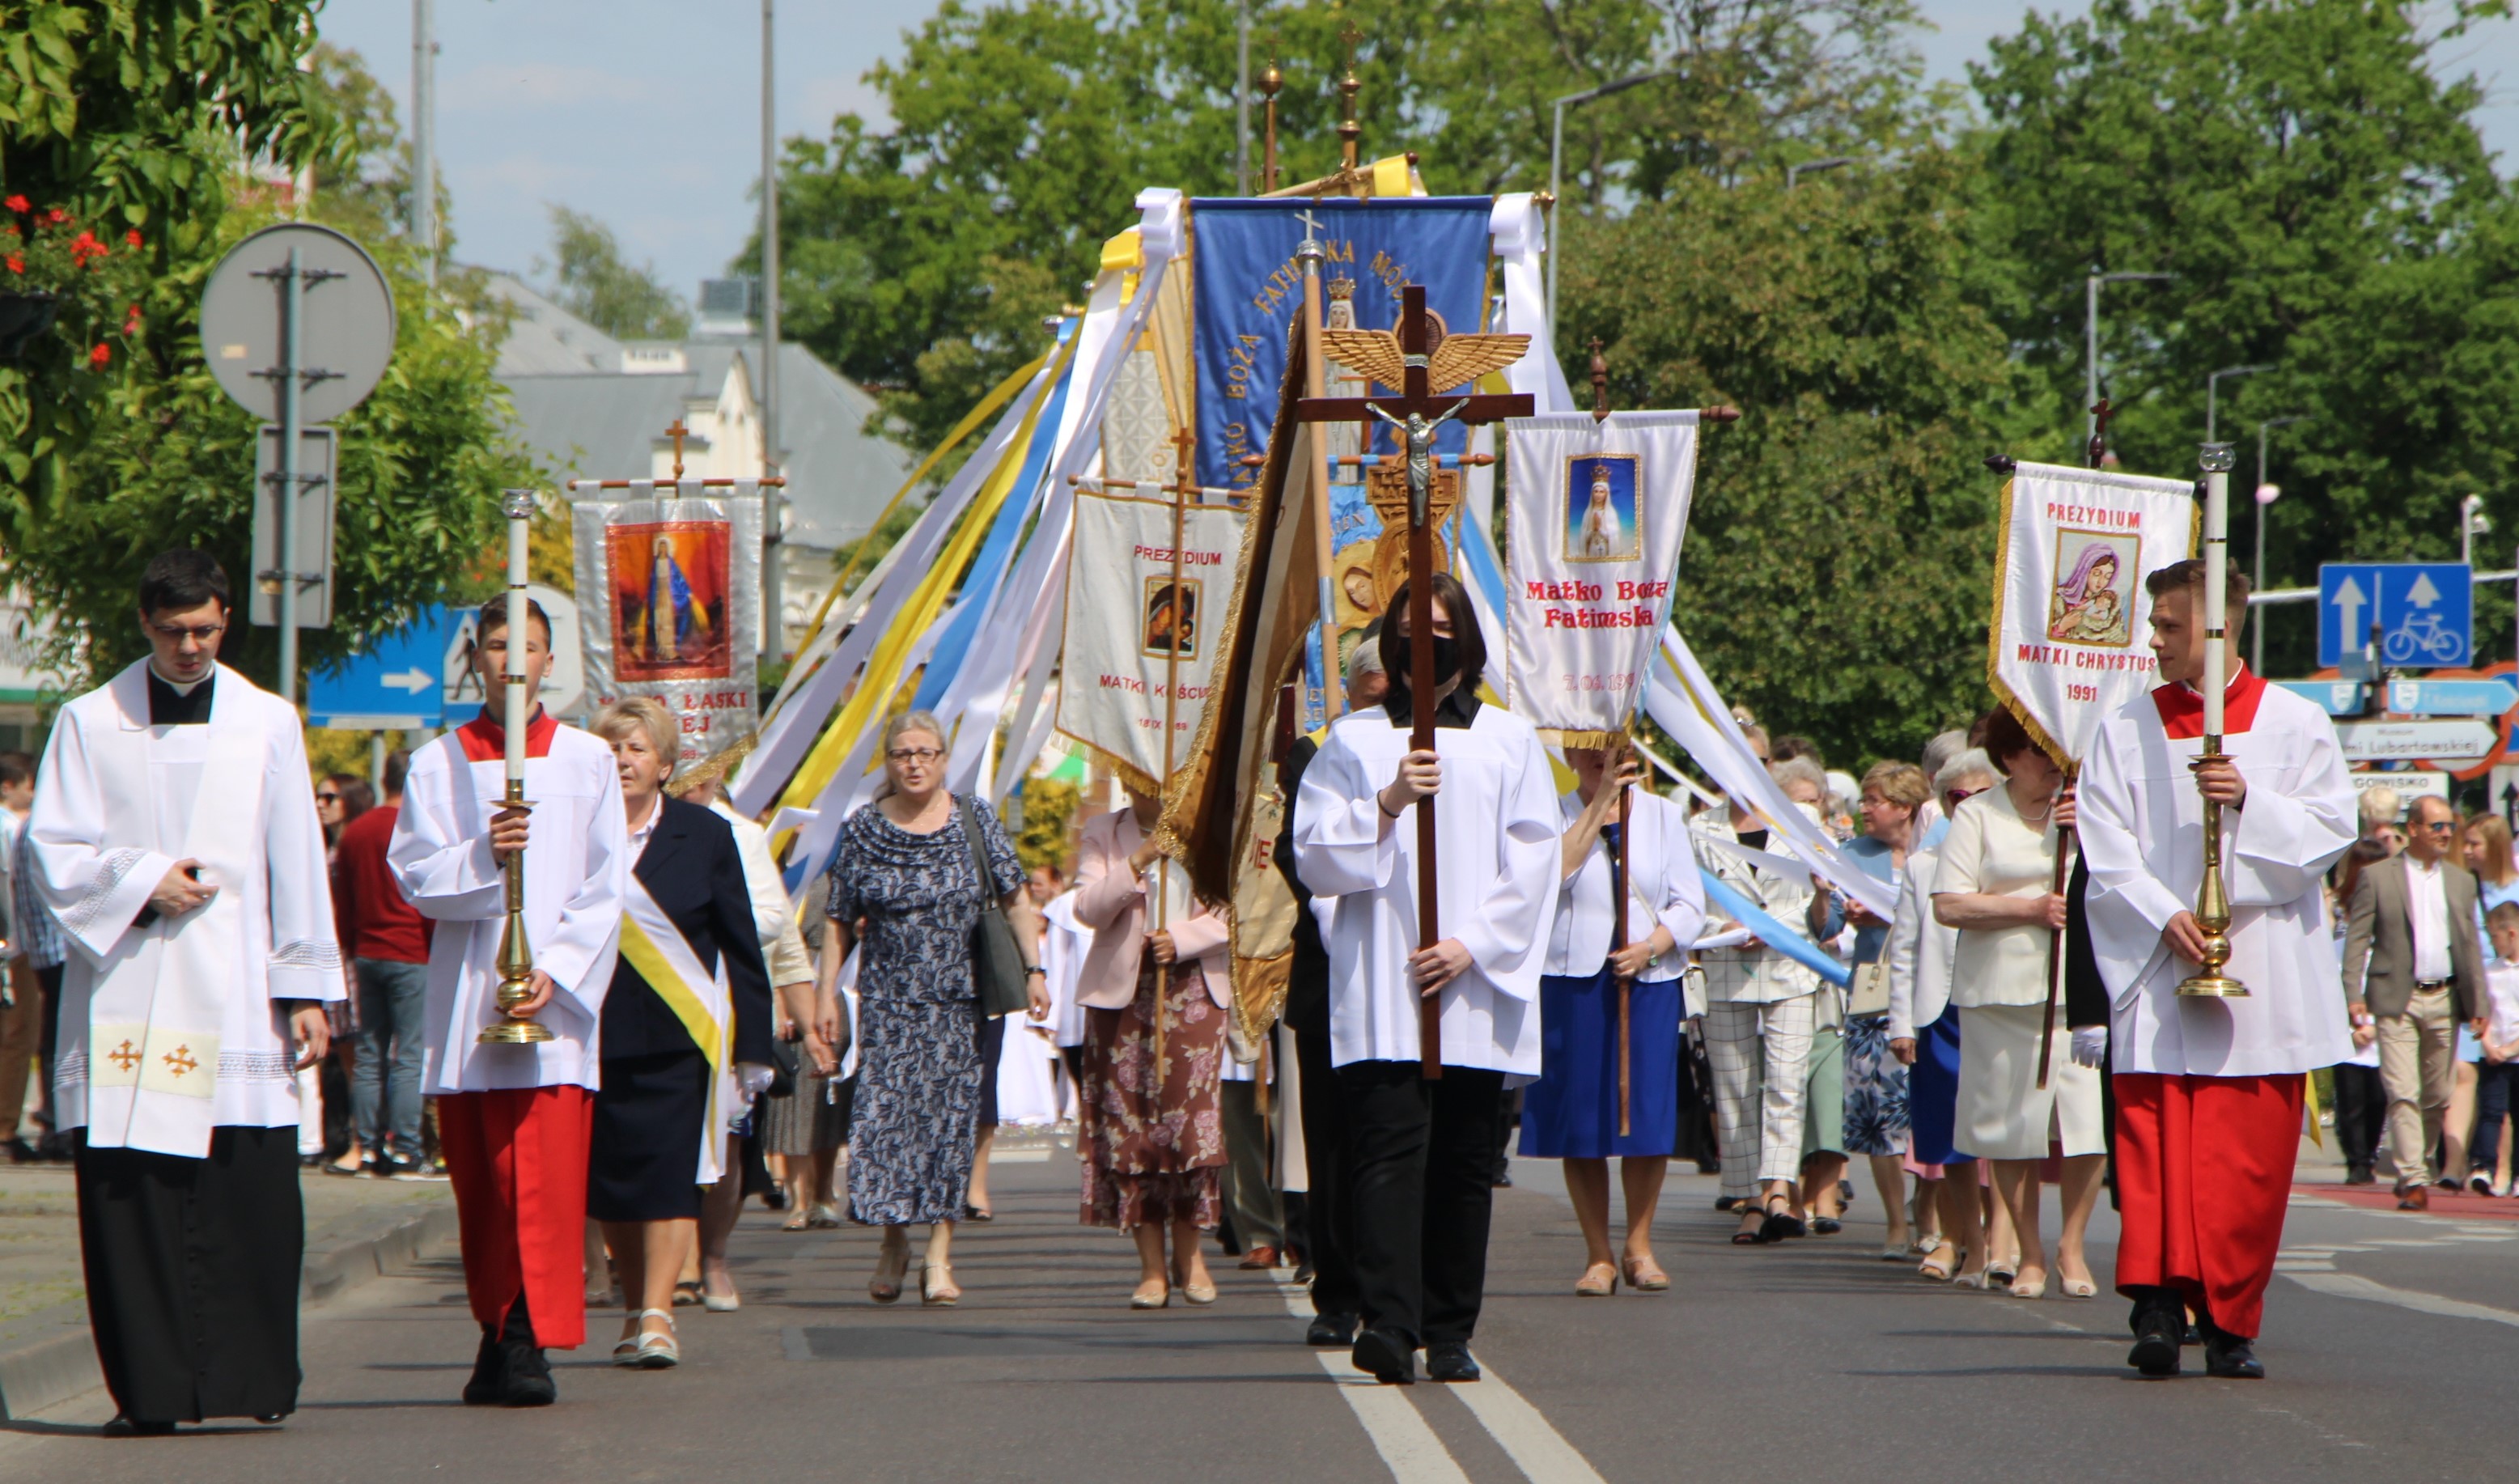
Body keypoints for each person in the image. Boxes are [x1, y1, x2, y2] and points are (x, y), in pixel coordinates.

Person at [24, 549, 341, 1433]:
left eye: (205, 629)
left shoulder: (268, 720)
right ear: (144, 625)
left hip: (237, 985)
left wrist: (306, 987)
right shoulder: (91, 720)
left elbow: (296, 863)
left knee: (246, 1190)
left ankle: (252, 1380)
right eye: (173, 632)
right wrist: (142, 881)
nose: (190, 647)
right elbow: (52, 849)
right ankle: (151, 1391)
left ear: (226, 620)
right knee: (135, 1192)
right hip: (130, 974)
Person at [2080, 557, 2356, 1379]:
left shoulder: (2294, 721)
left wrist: (2246, 801)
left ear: (2217, 628)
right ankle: (2159, 1307)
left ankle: (2231, 1319)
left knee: (2243, 1160)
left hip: (2260, 972)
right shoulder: (2124, 726)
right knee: (2156, 1144)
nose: (2152, 639)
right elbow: (2104, 843)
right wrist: (2160, 914)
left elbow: (2328, 830)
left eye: (2167, 625)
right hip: (2160, 966)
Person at [1291, 573, 1558, 1384]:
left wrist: (1473, 943)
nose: (1426, 639)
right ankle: (1387, 1320)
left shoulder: (1507, 740)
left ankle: (1448, 1328)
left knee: (1461, 1161)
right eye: (1411, 626)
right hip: (1383, 980)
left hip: (1470, 983)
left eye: (1440, 627)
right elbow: (1312, 855)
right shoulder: (1354, 741)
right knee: (1385, 1156)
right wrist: (1384, 801)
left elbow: (1535, 856)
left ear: (1464, 638)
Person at [392, 596, 631, 1407]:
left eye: (528, 646)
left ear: (550, 660)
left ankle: (531, 1338)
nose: (513, 661)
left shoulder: (589, 759)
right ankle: (497, 1328)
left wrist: (557, 972)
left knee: (545, 1180)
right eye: (498, 645)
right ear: (477, 657)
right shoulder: (437, 763)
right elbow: (417, 878)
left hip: (552, 1010)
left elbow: (605, 887)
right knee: (487, 1184)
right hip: (470, 1001)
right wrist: (481, 855)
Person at [818, 710, 1045, 1307]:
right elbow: (838, 920)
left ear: (944, 759)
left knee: (950, 1128)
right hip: (890, 1004)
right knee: (887, 1127)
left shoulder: (975, 818)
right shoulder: (865, 827)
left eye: (925, 752)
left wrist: (1035, 969)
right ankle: (894, 1242)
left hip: (960, 1003)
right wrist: (824, 998)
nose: (913, 763)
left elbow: (1016, 898)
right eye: (901, 754)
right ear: (888, 763)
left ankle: (940, 1255)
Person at [583, 700, 773, 1364]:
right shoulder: (576, 832)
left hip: (678, 1035)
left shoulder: (704, 834)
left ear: (665, 764)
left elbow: (740, 941)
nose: (623, 760)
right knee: (613, 1184)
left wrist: (755, 1045)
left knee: (667, 1177)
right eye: (611, 748)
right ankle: (636, 1306)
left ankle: (661, 1313)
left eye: (636, 748)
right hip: (594, 1035)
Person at [1520, 741, 1707, 1295]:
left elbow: (1688, 902)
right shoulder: (1548, 814)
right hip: (1571, 982)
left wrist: (1651, 945)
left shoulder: (1661, 815)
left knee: (1644, 1117)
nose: (1602, 758)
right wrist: (1595, 808)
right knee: (1579, 1120)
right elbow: (1542, 884)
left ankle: (1639, 1246)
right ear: (1571, 755)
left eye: (1613, 750)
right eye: (1591, 750)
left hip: (1645, 980)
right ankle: (1597, 1253)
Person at [1932, 706, 2106, 1300]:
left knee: (2084, 1124)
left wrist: (2086, 834)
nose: (2053, 769)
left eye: (2062, 758)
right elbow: (1948, 905)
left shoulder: (2089, 814)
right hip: (1999, 994)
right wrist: (2026, 908)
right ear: (2009, 757)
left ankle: (2071, 1246)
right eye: (2041, 755)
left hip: (2075, 993)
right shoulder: (1978, 815)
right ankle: (2027, 1252)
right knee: (2012, 1129)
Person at [1072, 783, 1233, 1306]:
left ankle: (1191, 1255)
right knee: (1131, 1124)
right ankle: (1150, 1267)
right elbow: (1088, 908)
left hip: (1192, 993)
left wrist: (1185, 938)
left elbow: (1238, 902)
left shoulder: (1209, 826)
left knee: (1188, 1124)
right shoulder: (1103, 831)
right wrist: (1140, 858)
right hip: (1121, 999)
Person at [1277, 630, 1387, 1348]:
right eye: (1372, 688)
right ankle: (1337, 1289)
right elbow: (1300, 855)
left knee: (1396, 1144)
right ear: (1349, 688)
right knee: (1334, 1141)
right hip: (1331, 964)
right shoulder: (1314, 751)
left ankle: (1398, 1289)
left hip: (1409, 974)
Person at [1693, 755, 1824, 1244]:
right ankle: (1750, 1198)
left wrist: (1769, 929)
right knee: (1734, 1089)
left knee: (1786, 1085)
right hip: (1727, 970)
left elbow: (1817, 898)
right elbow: (1690, 903)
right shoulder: (1698, 827)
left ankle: (1776, 1192)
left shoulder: (1801, 819)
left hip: (1789, 968)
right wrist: (1723, 928)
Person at [2342, 792, 2485, 1211]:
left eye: (2450, 827)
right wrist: (2353, 994)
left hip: (2445, 997)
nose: (2446, 834)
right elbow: (2356, 941)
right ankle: (2414, 1177)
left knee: (2437, 1094)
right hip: (2395, 999)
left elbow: (2471, 947)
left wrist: (2479, 1005)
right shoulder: (2379, 877)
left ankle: (2415, 1161)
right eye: (2438, 826)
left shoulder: (2460, 881)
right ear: (2414, 830)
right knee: (2401, 1089)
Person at [1815, 761, 1932, 1261]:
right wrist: (1824, 896)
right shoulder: (1853, 855)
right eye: (1862, 799)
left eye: (1874, 801)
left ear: (1904, 807)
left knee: (1931, 1112)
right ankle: (1893, 1222)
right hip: (1874, 999)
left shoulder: (1943, 847)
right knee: (1883, 1118)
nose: (1863, 809)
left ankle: (1928, 1215)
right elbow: (1825, 929)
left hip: (1932, 995)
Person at [1890, 749, 1998, 1283]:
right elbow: (1904, 951)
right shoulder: (1920, 867)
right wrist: (1900, 1024)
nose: (1971, 805)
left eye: (1983, 795)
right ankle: (1963, 1240)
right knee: (1949, 1137)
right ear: (1944, 803)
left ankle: (2000, 1240)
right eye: (1959, 797)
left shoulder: (2015, 865)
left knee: (2000, 1133)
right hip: (1939, 1012)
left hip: (1998, 1005)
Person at [333, 748, 433, 1178]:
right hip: (412, 952)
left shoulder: (356, 831)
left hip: (367, 953)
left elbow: (343, 899)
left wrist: (349, 945)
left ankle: (369, 1147)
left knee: (370, 1054)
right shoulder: (420, 831)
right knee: (410, 1055)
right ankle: (407, 1149)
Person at [8, 759, 67, 1163]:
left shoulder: (29, 825)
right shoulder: (45, 824)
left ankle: (55, 1123)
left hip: (40, 947)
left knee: (50, 1038)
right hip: (55, 947)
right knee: (55, 1038)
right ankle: (58, 1127)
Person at [2326, 839, 2391, 1185]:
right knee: (2351, 1096)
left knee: (2379, 1095)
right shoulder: (2337, 912)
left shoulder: (2392, 911)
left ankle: (2370, 1153)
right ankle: (2356, 1161)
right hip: (2349, 1019)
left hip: (2382, 1016)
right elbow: (2330, 970)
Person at [0, 750, 40, 1159]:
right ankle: (5, 1127)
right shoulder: (9, 829)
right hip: (13, 946)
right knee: (17, 1036)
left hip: (12, 944)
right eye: (30, 784)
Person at [2464, 901, 2519, 1195]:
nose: (2491, 942)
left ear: (2512, 934)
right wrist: (2489, 1045)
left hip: (2515, 1054)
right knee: (2491, 1112)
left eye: (2494, 936)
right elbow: (2479, 1015)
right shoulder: (2490, 972)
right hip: (2494, 1056)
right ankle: (2484, 1167)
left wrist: (2510, 1049)